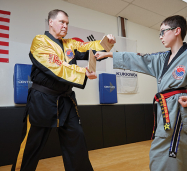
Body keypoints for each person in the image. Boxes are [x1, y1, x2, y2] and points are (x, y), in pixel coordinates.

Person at [95, 15, 187, 171]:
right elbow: (139, 59)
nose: (160, 36)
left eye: (163, 31)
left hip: (179, 113)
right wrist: (108, 54)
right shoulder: (161, 59)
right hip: (166, 111)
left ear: (177, 31)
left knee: (163, 158)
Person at [11, 9, 116, 171]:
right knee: (31, 145)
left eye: (67, 23)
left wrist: (106, 42)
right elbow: (55, 66)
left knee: (77, 140)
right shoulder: (40, 41)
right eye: (62, 22)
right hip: (42, 100)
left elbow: (88, 47)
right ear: (50, 22)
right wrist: (83, 72)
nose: (65, 26)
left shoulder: (70, 44)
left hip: (66, 100)